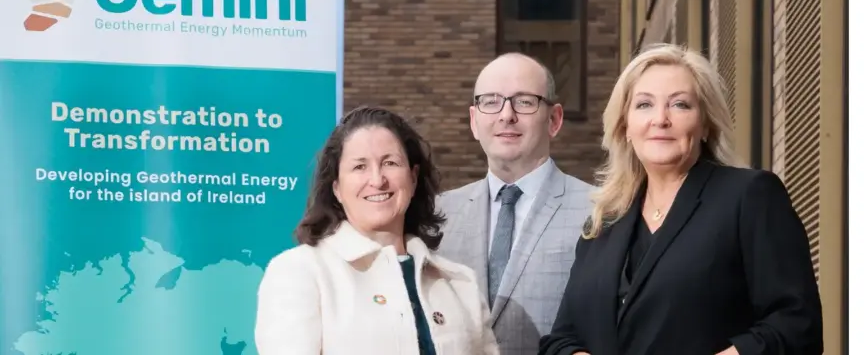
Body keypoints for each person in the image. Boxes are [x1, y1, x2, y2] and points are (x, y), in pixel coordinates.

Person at [538, 44, 823, 355]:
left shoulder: (749, 197)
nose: (660, 119)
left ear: (705, 124)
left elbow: (797, 325)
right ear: (625, 127)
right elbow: (560, 340)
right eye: (644, 105)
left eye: (680, 105)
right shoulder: (603, 224)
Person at [254, 106, 499, 355]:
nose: (377, 180)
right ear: (336, 187)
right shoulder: (301, 272)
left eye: (390, 163)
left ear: (413, 178)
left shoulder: (460, 282)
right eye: (359, 167)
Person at [435, 53, 594, 355]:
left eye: (524, 101)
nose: (506, 115)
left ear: (555, 119)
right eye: (491, 101)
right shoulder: (437, 216)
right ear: (474, 120)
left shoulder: (600, 212)